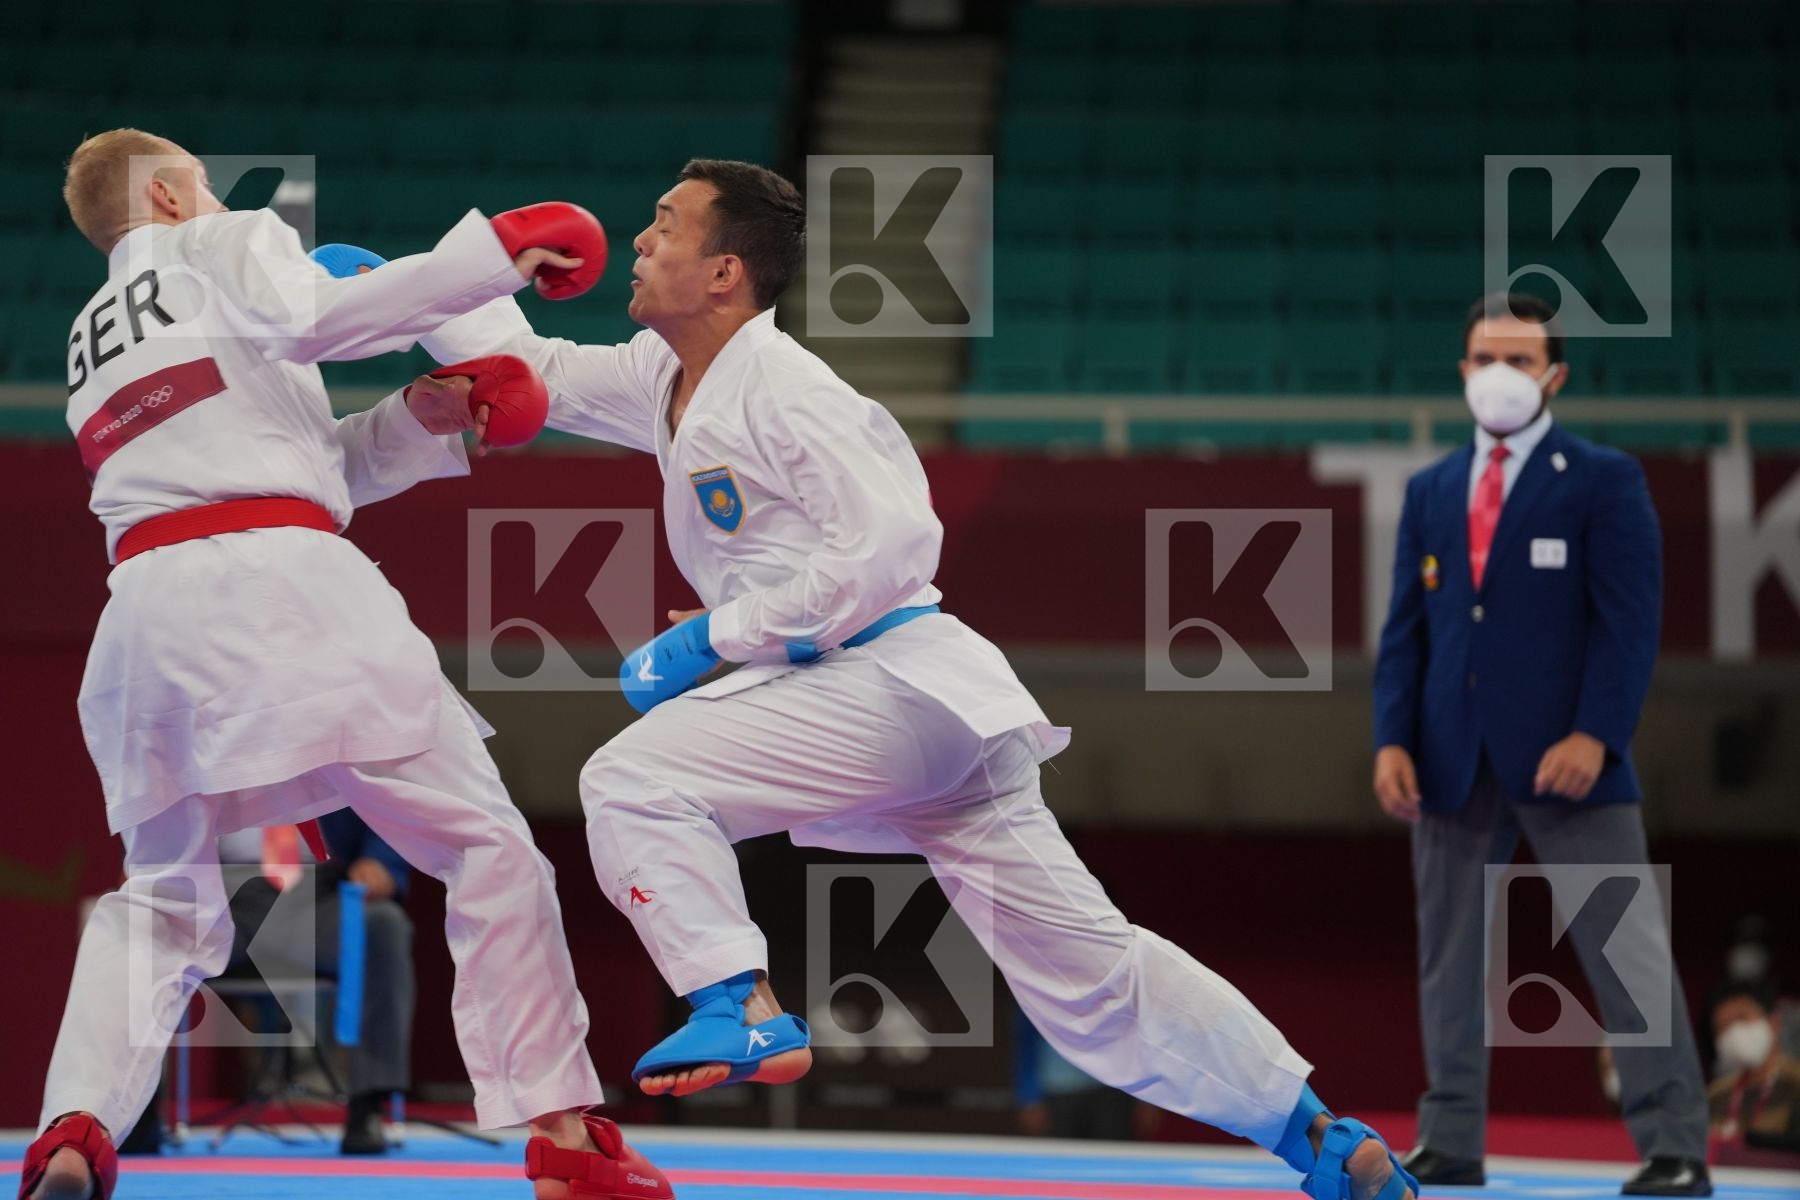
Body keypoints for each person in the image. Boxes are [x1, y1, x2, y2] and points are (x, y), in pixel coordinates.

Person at [321, 158, 1416, 1200]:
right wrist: (420, 293)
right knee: (1089, 982)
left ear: (725, 273)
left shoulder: (787, 389)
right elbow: (541, 375)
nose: (641, 239)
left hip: (888, 680)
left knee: (635, 783)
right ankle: (1317, 1135)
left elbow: (895, 542)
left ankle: (738, 1001)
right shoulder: (668, 375)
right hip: (917, 718)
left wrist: (719, 637)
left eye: (666, 224)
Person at [21, 129, 669, 1200]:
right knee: (488, 850)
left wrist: (430, 415)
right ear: (176, 192)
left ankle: (75, 1127)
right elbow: (316, 326)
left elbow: (284, 468)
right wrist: (494, 257)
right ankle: (562, 1133)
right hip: (288, 599)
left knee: (163, 901)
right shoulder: (221, 238)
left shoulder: (92, 339)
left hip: (145, 621)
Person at [1372, 293, 1710, 1196]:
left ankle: (1674, 1145)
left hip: (1571, 756)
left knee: (1626, 947)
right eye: (1486, 357)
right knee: (1449, 951)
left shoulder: (1603, 479)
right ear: (1461, 372)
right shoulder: (1432, 489)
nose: (1501, 375)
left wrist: (1598, 733)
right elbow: (1407, 630)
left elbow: (1629, 626)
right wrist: (1390, 740)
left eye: (1520, 361)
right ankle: (1451, 1139)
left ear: (1555, 374)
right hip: (1448, 752)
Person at [217, 812, 418, 1155]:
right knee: (142, 925)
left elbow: (382, 802)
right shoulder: (200, 755)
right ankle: (134, 1117)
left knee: (381, 924)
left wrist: (379, 861)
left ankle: (366, 1106)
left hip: (317, 895)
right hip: (218, 900)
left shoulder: (338, 756)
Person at [1706, 978, 1800, 1159]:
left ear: (1774, 1023)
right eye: (1723, 1026)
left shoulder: (1795, 1082)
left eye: (1742, 1018)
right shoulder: (1715, 1095)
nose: (1734, 1032)